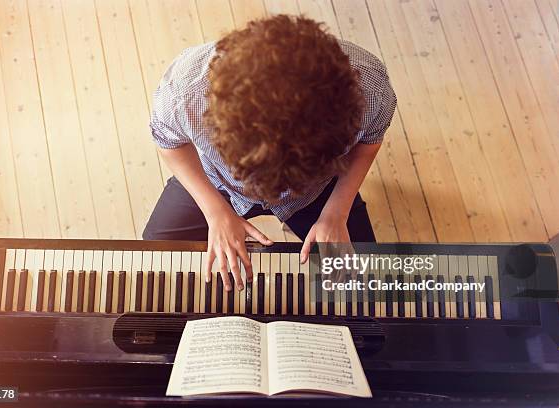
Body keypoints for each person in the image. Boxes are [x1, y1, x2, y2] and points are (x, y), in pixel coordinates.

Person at [143, 15, 396, 292]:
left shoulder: (371, 89)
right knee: (156, 251)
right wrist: (215, 212)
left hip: (316, 190)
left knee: (363, 281)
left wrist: (336, 212)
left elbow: (368, 143)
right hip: (217, 181)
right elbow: (170, 144)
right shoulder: (182, 91)